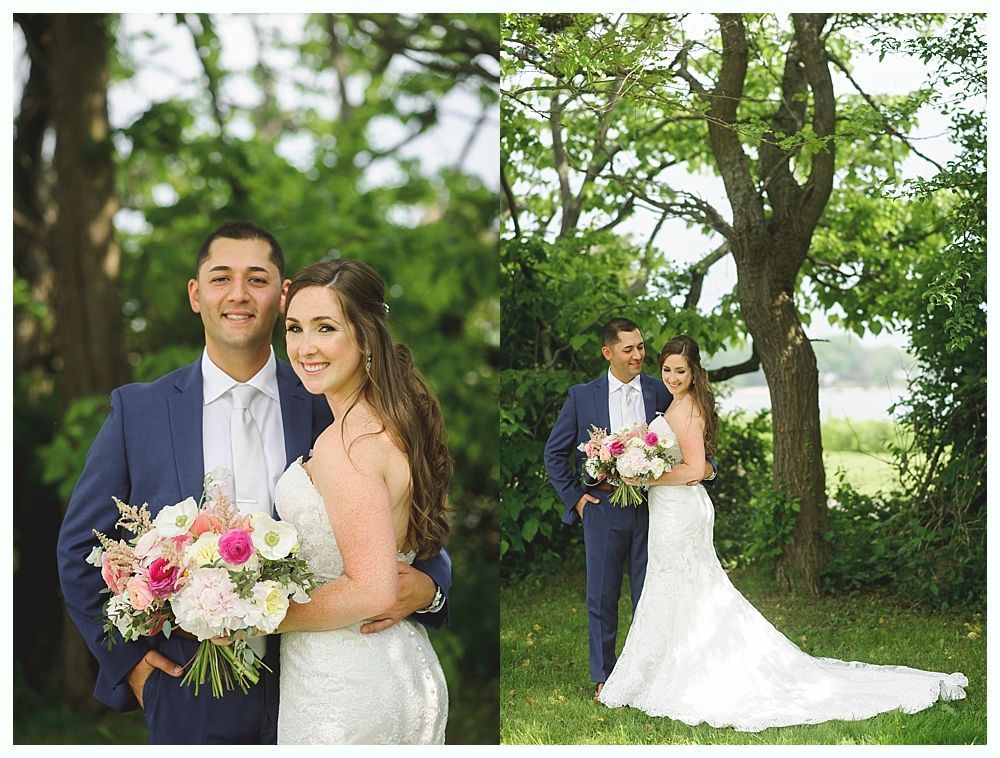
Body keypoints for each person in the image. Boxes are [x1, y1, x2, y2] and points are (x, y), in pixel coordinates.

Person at [56, 221, 451, 744]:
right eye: (221, 278)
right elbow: (80, 547)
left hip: (323, 680)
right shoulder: (139, 412)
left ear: (282, 295)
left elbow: (404, 527)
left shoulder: (329, 397)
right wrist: (131, 666)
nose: (238, 294)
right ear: (195, 294)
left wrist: (431, 589)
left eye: (257, 279)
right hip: (193, 692)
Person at [598, 335, 967, 730]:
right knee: (678, 587)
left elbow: (694, 469)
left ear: (694, 372)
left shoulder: (689, 409)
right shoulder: (676, 403)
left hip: (680, 511)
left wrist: (645, 477)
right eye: (667, 370)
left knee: (682, 585)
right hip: (670, 509)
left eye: (680, 371)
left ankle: (683, 674)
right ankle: (658, 670)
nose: (672, 377)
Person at [267, 258, 449, 744]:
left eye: (325, 328)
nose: (305, 347)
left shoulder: (345, 442)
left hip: (342, 688)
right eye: (294, 328)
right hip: (401, 664)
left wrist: (258, 617)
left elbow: (372, 590)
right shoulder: (395, 421)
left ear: (365, 337)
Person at [543, 318, 716, 703]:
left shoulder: (663, 389)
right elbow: (554, 453)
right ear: (608, 353)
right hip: (603, 508)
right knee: (601, 595)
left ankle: (648, 673)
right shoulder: (582, 396)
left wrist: (707, 470)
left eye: (641, 347)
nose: (638, 355)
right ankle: (604, 676)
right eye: (629, 349)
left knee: (651, 593)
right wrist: (576, 498)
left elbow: (693, 438)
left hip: (656, 508)